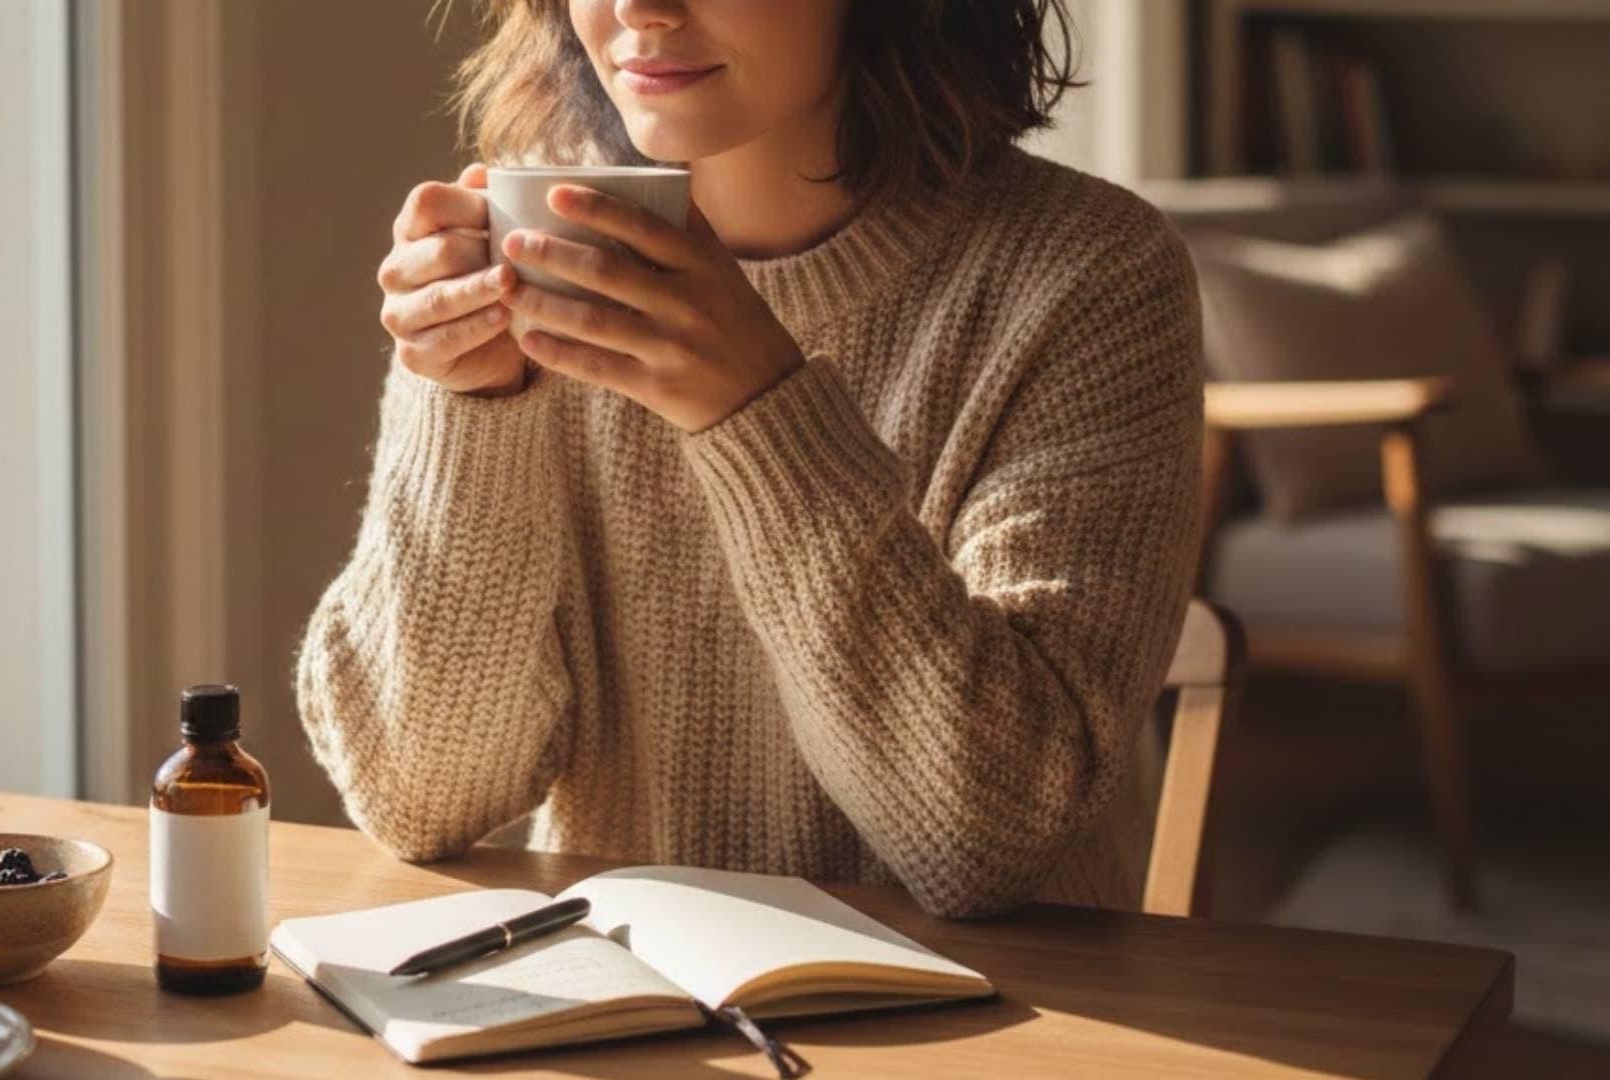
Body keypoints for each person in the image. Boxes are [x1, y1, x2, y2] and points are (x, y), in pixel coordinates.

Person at [296, 0, 1202, 918]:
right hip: (625, 1021)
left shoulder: (1092, 277)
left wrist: (757, 411)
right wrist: (474, 413)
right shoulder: (533, 253)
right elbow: (414, 798)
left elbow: (986, 839)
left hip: (1015, 1026)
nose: (637, 8)